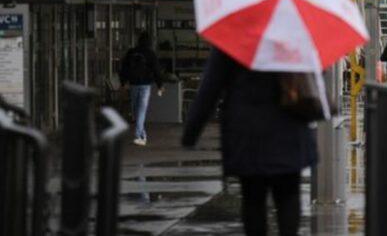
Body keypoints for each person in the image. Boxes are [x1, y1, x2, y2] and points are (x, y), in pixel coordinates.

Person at [182, 48, 317, 236]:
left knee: (253, 199)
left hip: (247, 133)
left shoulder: (233, 39)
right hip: (289, 129)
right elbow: (316, 73)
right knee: (288, 196)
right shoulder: (293, 37)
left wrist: (191, 132)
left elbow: (210, 87)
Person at [120, 31, 164, 146]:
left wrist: (123, 83)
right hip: (145, 85)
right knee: (141, 111)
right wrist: (160, 85)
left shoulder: (132, 52)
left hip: (134, 84)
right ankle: (142, 135)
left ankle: (140, 135)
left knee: (136, 111)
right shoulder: (150, 53)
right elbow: (157, 70)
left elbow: (124, 68)